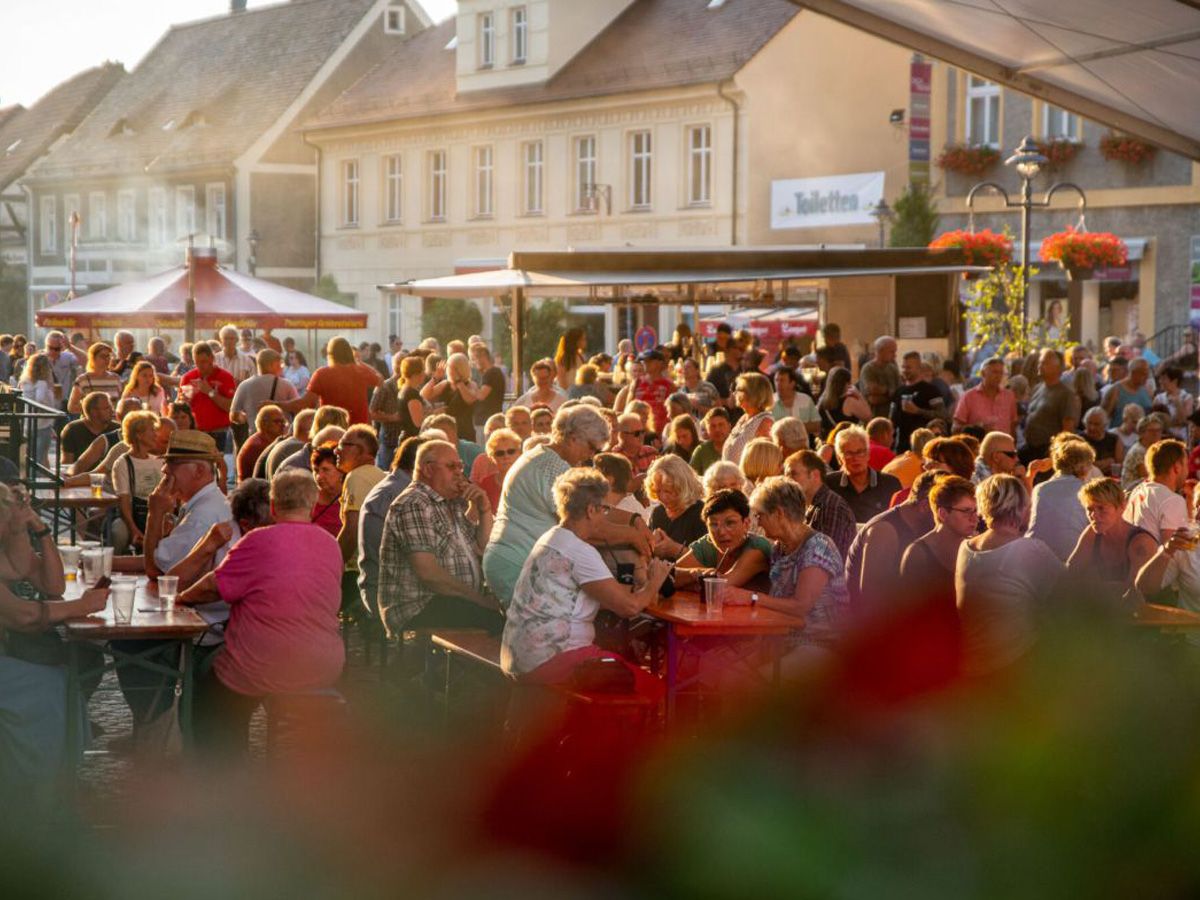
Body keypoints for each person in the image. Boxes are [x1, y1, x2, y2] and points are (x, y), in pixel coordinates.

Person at [179, 469, 343, 754]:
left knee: (208, 683)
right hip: (323, 661)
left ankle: (223, 773)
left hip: (264, 661)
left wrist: (179, 598)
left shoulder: (257, 540)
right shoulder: (330, 544)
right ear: (313, 504)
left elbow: (212, 587)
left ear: (274, 505)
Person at [501, 467, 669, 696]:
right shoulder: (579, 551)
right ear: (591, 510)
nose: (605, 516)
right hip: (553, 658)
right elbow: (629, 607)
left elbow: (598, 594)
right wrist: (655, 580)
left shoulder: (551, 538)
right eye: (605, 510)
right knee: (656, 691)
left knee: (620, 669)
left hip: (521, 655)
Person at [484, 405, 647, 606]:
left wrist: (632, 519)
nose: (591, 456)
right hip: (517, 562)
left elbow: (591, 508)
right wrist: (631, 534)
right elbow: (585, 524)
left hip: (511, 559)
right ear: (573, 438)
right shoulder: (553, 467)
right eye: (592, 448)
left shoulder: (542, 455)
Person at [379, 439, 501, 636]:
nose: (459, 472)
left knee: (510, 617)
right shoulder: (414, 503)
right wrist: (480, 600)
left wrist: (484, 509)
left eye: (461, 466)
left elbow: (482, 548)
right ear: (428, 470)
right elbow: (430, 574)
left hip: (452, 600)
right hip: (418, 605)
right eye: (451, 467)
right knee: (495, 623)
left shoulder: (453, 502)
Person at [955, 474, 1063, 675]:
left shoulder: (966, 547)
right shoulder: (1029, 549)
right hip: (1014, 660)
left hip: (973, 659)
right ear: (1021, 508)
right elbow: (1072, 592)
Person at [749, 477, 849, 650]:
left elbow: (801, 606)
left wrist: (753, 598)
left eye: (760, 515)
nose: (757, 522)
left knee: (747, 676)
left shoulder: (818, 547)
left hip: (820, 646)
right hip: (782, 639)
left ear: (779, 513)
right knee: (723, 666)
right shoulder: (780, 548)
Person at [144, 431, 238, 578]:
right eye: (166, 463)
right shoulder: (208, 502)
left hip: (200, 601)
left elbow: (155, 570)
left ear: (199, 471)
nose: (165, 469)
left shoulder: (202, 515)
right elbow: (159, 558)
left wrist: (154, 514)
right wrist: (111, 560)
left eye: (173, 464)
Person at [846, 471, 940, 611]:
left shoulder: (922, 525)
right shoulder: (884, 531)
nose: (946, 517)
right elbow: (871, 600)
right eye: (944, 509)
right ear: (925, 506)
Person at [1067, 477, 1156, 606]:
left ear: (1121, 507)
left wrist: (1090, 586)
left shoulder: (1140, 542)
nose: (1094, 515)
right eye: (1089, 509)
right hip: (1107, 611)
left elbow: (1134, 593)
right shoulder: (1092, 533)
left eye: (1101, 508)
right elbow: (1070, 574)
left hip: (1149, 617)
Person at [900, 475, 978, 622]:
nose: (974, 518)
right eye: (967, 511)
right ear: (943, 514)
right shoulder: (918, 554)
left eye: (975, 511)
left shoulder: (975, 550)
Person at [674, 488, 771, 591]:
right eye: (714, 524)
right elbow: (666, 577)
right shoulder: (708, 543)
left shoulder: (757, 547)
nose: (721, 532)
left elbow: (720, 586)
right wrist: (694, 573)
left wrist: (688, 582)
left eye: (730, 523)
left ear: (746, 524)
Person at [334, 424, 386, 614]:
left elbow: (352, 529)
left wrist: (331, 564)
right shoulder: (381, 475)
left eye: (344, 444)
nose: (336, 450)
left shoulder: (356, 477)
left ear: (363, 451)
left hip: (360, 574)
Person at [279, 336, 383, 426]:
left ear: (330, 355)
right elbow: (380, 380)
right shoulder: (360, 371)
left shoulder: (322, 374)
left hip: (331, 432)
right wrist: (360, 363)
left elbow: (305, 403)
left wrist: (276, 404)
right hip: (358, 432)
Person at [1026, 434, 1095, 561]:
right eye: (1089, 464)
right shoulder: (1086, 491)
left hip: (1033, 554)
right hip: (1069, 557)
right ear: (1083, 467)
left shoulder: (1040, 489)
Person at [784, 449, 856, 561]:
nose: (787, 480)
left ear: (815, 475)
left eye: (793, 474)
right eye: (787, 475)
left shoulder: (832, 507)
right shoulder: (812, 505)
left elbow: (826, 558)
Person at [825, 425, 902, 523]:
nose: (855, 458)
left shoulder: (890, 483)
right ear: (839, 458)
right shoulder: (829, 484)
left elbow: (899, 522)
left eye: (860, 452)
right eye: (849, 453)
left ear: (868, 454)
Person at [111, 410, 162, 553]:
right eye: (152, 430)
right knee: (118, 532)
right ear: (139, 435)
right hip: (134, 516)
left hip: (158, 515)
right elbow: (124, 500)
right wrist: (133, 529)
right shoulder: (123, 463)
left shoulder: (158, 462)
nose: (155, 434)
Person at [1020, 348, 1080, 464]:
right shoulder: (1038, 388)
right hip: (1030, 448)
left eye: (1044, 363)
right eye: (1040, 362)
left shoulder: (1066, 394)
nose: (1040, 365)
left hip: (1047, 451)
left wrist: (1057, 453)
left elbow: (1068, 428)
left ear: (1058, 368)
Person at [1124, 438, 1189, 544]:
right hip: (1154, 559)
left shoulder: (1138, 490)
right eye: (1186, 465)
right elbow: (1173, 553)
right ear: (1176, 467)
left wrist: (1190, 499)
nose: (1187, 471)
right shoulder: (1173, 500)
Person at [646, 454, 707, 559]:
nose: (662, 497)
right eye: (658, 491)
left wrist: (674, 549)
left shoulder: (702, 513)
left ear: (683, 487)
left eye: (668, 491)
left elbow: (709, 559)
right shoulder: (658, 513)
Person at [178, 343, 236, 453]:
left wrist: (210, 392)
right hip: (195, 433)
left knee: (221, 466)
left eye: (204, 362)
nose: (200, 366)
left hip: (220, 433)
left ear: (212, 358)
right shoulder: (188, 378)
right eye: (197, 362)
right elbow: (179, 408)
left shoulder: (225, 377)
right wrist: (183, 401)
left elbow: (230, 407)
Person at [229, 349, 298, 439]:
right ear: (271, 365)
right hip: (281, 437)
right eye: (280, 364)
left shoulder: (244, 385)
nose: (282, 367)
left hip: (256, 437)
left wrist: (248, 417)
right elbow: (298, 407)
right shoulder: (286, 385)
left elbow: (234, 416)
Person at [892, 351, 946, 452]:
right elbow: (892, 420)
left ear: (919, 368)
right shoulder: (899, 391)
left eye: (909, 368)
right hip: (902, 447)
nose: (905, 370)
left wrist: (918, 411)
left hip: (925, 446)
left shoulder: (931, 390)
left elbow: (942, 415)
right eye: (903, 367)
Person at [722, 372, 774, 464]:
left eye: (738, 390)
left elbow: (765, 461)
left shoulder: (765, 422)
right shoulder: (744, 418)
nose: (735, 393)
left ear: (752, 394)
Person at [59, 391, 119, 467]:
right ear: (93, 411)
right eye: (107, 408)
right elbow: (66, 462)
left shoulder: (117, 429)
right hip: (80, 476)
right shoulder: (73, 430)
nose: (112, 411)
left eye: (111, 407)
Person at [18, 353, 56, 465]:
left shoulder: (26, 382)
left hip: (28, 423)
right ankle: (38, 479)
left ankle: (33, 477)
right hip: (42, 423)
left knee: (31, 455)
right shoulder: (41, 383)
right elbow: (39, 400)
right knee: (40, 457)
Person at [472, 427, 522, 512]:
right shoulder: (485, 485)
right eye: (500, 453)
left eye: (511, 451)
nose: (506, 456)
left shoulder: (529, 481)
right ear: (492, 458)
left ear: (519, 453)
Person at [236, 404, 288, 483]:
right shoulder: (257, 445)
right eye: (277, 421)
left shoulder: (266, 440)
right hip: (254, 490)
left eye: (283, 421)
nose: (283, 425)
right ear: (264, 424)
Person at [66, 342, 122, 414]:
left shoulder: (115, 378)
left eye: (108, 356)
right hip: (91, 423)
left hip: (112, 422)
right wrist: (93, 409)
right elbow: (72, 407)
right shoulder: (83, 380)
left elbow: (120, 402)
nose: (106, 359)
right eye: (102, 356)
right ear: (93, 358)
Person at [817, 366, 871, 438]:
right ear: (847, 383)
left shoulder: (822, 403)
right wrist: (859, 395)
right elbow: (868, 416)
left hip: (828, 441)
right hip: (846, 441)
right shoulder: (849, 401)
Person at [1102, 356, 1153, 426]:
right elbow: (1103, 417)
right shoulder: (1116, 390)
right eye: (1144, 374)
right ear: (1133, 372)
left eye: (1148, 373)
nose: (1147, 377)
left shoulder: (1147, 390)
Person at [469, 343, 507, 437]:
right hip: (489, 418)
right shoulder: (495, 372)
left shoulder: (491, 373)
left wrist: (471, 386)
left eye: (473, 359)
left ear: (482, 357)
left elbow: (481, 396)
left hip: (486, 420)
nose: (473, 363)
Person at [859, 336, 901, 419]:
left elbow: (898, 392)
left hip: (891, 417)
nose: (894, 355)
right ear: (881, 351)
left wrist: (885, 392)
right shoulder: (868, 369)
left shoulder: (893, 369)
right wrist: (890, 394)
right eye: (891, 352)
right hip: (873, 417)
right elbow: (872, 398)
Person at [309, 443, 344, 538]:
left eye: (325, 470)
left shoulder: (352, 499)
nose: (319, 476)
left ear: (341, 470)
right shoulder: (308, 501)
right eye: (316, 470)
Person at [1079, 406, 1123, 477]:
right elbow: (1079, 466)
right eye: (1089, 423)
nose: (1092, 427)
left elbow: (1119, 465)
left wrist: (1093, 464)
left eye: (1096, 424)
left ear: (1104, 425)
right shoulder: (1079, 440)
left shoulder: (1115, 439)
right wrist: (1106, 463)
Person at [42, 330, 80, 411]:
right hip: (45, 404)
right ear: (46, 345)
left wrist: (70, 346)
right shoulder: (39, 359)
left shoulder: (67, 357)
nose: (53, 351)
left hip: (63, 403)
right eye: (50, 348)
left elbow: (87, 361)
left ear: (62, 347)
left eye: (57, 349)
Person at [1154, 365, 1194, 440]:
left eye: (1164, 379)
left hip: (1182, 438)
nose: (1160, 381)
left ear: (1174, 381)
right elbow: (1154, 419)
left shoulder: (1186, 397)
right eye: (1160, 379)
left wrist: (1178, 404)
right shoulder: (1158, 398)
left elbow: (1185, 421)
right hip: (1162, 437)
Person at [690, 407, 731, 476]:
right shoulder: (701, 450)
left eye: (721, 425)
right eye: (713, 426)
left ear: (729, 426)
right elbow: (691, 477)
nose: (717, 429)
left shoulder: (739, 446)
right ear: (707, 430)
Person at [553, 327, 588, 392]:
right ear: (576, 341)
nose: (585, 342)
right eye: (583, 339)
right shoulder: (563, 358)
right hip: (567, 394)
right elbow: (562, 381)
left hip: (578, 393)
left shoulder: (581, 356)